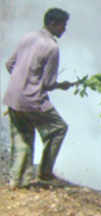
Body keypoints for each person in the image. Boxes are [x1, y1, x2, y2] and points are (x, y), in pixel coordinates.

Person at [3, 8, 74, 189]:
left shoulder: (28, 37)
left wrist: (22, 80)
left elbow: (9, 64)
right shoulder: (52, 47)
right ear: (52, 24)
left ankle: (16, 181)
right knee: (59, 128)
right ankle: (45, 172)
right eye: (62, 25)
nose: (64, 29)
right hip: (32, 101)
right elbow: (49, 83)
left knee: (22, 137)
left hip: (12, 96)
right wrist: (62, 85)